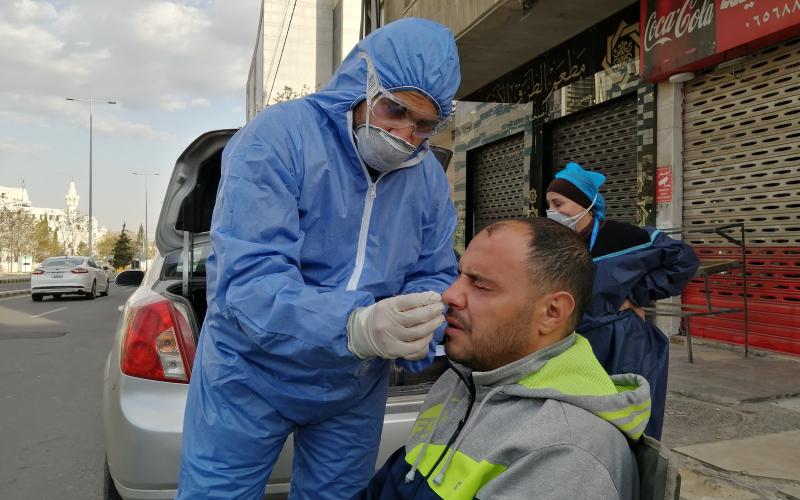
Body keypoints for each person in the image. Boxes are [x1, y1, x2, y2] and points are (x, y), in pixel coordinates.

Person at [177, 18, 461, 500]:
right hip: (250, 374)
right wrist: (355, 325)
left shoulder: (427, 179)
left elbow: (433, 271)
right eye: (394, 110)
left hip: (351, 386)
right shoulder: (278, 139)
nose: (406, 134)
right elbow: (250, 282)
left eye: (424, 124)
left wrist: (420, 323)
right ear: (362, 83)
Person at [356, 218, 651, 500]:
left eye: (480, 285)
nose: (450, 295)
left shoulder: (568, 451)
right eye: (459, 276)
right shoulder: (464, 381)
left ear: (552, 313)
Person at [546, 162, 699, 439]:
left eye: (559, 204)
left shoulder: (624, 237)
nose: (552, 212)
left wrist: (637, 294)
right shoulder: (555, 243)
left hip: (621, 344)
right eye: (549, 205)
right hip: (569, 342)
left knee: (625, 424)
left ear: (585, 203)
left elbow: (683, 259)